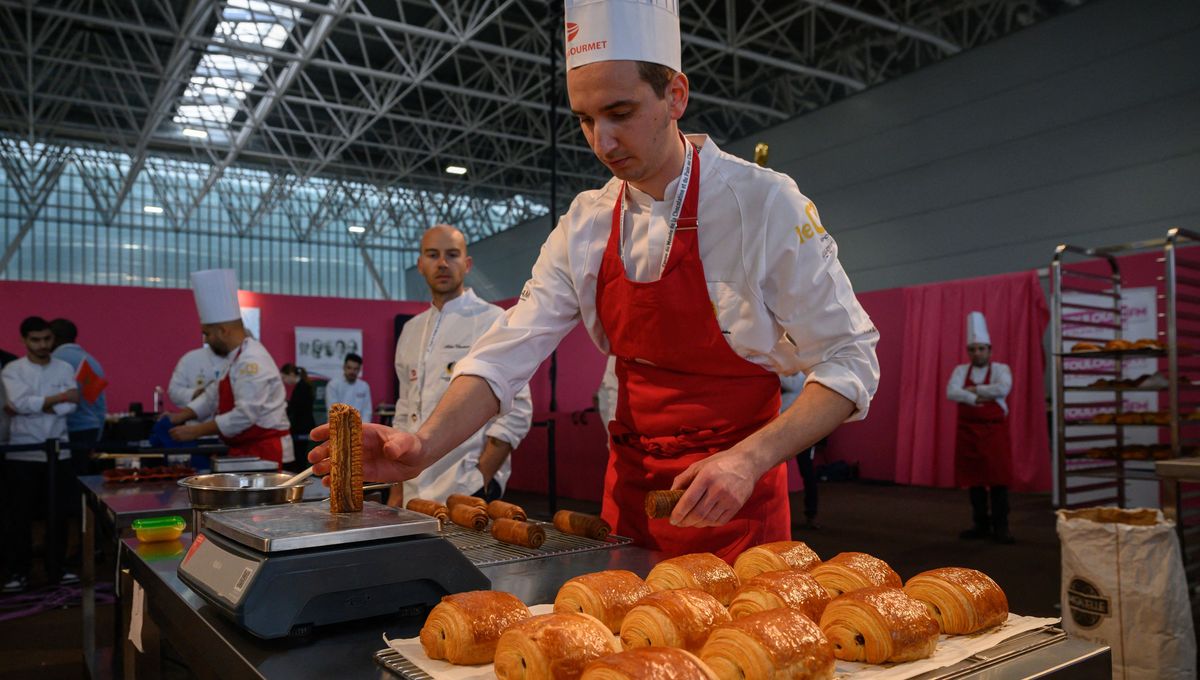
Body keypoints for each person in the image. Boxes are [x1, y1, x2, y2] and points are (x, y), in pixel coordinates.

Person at [311, 1, 878, 561]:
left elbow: (850, 361)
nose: (601, 143)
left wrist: (751, 458)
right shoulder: (585, 223)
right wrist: (421, 445)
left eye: (621, 112)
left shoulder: (763, 203)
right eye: (584, 119)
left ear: (675, 95)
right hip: (628, 500)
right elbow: (510, 349)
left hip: (734, 501)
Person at [387, 225, 533, 505]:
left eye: (451, 255)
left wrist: (483, 476)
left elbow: (518, 407)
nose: (442, 263)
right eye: (432, 255)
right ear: (420, 265)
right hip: (413, 489)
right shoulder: (411, 330)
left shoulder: (493, 320)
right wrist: (397, 489)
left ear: (467, 264)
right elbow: (405, 411)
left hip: (467, 486)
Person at [166, 270, 293, 467]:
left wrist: (196, 430)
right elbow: (213, 395)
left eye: (207, 334)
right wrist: (184, 415)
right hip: (248, 451)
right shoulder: (236, 357)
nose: (206, 340)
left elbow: (245, 414)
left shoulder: (252, 361)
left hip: (267, 453)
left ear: (223, 331)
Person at [1, 316, 79, 591]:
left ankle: (57, 568)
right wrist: (57, 399)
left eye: (47, 339)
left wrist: (38, 404)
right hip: (22, 453)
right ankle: (17, 572)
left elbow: (71, 405)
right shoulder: (13, 370)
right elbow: (19, 404)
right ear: (24, 340)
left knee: (58, 515)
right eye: (36, 340)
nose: (43, 345)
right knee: (18, 518)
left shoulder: (64, 367)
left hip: (59, 453)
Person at [946, 311, 1014, 544]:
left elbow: (1003, 389)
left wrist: (972, 391)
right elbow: (951, 392)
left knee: (998, 482)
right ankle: (980, 524)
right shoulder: (960, 371)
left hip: (994, 432)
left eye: (981, 349)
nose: (977, 353)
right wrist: (978, 396)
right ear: (969, 352)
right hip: (968, 432)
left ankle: (1001, 527)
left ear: (990, 350)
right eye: (973, 349)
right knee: (974, 482)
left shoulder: (1001, 369)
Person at [49, 318, 107, 473]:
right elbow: (99, 405)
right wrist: (97, 438)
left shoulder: (55, 361)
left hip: (68, 431)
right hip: (90, 430)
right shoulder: (92, 361)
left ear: (54, 337)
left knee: (63, 484)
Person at [781, 373, 819, 530]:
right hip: (781, 429)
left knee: (807, 473)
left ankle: (811, 515)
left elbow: (793, 384)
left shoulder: (807, 372)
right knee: (774, 473)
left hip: (804, 430)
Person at [168, 344, 229, 414]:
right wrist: (197, 393)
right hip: (195, 421)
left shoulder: (240, 359)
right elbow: (174, 391)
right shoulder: (190, 358)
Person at [325, 353, 374, 423]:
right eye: (349, 368)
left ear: (360, 369)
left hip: (359, 428)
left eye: (355, 369)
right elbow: (333, 411)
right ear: (344, 367)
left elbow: (367, 411)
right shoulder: (333, 385)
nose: (352, 372)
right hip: (338, 427)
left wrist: (364, 428)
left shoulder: (364, 386)